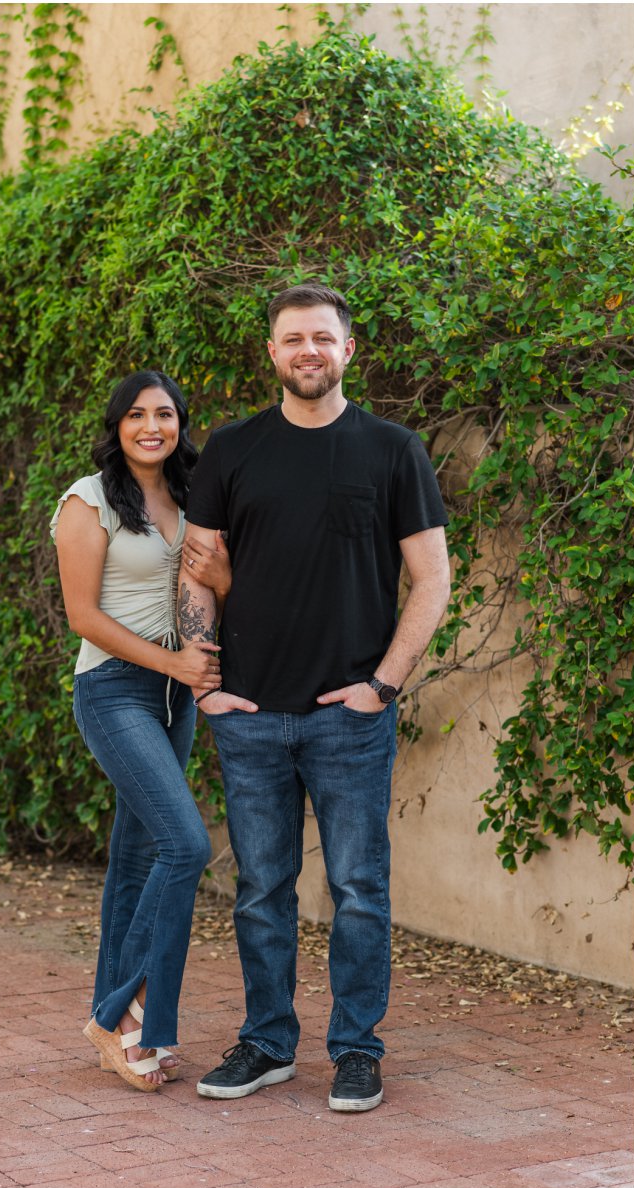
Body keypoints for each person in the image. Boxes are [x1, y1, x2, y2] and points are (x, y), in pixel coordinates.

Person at [177, 283, 451, 1113]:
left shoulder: (393, 450)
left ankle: (357, 1050)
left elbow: (433, 576)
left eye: (323, 338)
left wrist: (382, 684)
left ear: (348, 350)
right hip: (251, 716)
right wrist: (207, 681)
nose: (308, 350)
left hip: (350, 718)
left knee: (359, 888)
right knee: (262, 887)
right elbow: (198, 569)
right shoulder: (231, 451)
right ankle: (267, 1042)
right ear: (271, 351)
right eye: (293, 337)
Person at [52, 370, 240, 1092]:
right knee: (186, 843)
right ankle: (118, 1012)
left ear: (180, 421)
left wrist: (221, 583)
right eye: (136, 415)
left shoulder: (193, 493)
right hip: (113, 690)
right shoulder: (88, 499)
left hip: (175, 698)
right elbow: (83, 616)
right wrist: (173, 662)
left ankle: (125, 1028)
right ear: (117, 424)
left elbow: (214, 582)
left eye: (164, 413)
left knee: (136, 858)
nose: (151, 426)